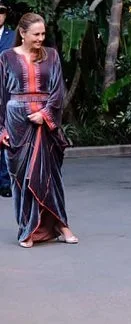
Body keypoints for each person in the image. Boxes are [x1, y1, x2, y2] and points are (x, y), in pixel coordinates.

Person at [0, 13, 78, 248]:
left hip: (44, 123)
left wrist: (44, 115)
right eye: (36, 34)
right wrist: (1, 128)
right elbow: (1, 96)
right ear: (22, 34)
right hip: (16, 123)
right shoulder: (6, 58)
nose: (40, 38)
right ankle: (28, 229)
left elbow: (58, 91)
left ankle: (63, 226)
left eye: (43, 34)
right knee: (21, 179)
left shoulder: (51, 56)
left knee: (50, 176)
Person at [0, 0, 15, 198]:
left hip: (7, 95)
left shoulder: (13, 38)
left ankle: (4, 182)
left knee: (4, 139)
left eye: (1, 11)